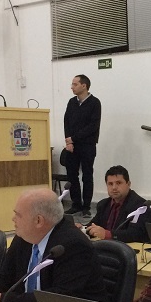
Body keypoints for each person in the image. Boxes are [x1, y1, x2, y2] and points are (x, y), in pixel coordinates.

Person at [0, 187, 109, 302]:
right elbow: (4, 276)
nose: (13, 219)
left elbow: (60, 298)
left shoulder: (73, 245)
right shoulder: (24, 238)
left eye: (18, 215)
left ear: (38, 221)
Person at [63, 74, 102, 219]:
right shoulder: (71, 102)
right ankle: (76, 204)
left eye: (75, 84)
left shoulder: (95, 103)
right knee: (72, 175)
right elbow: (66, 122)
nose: (72, 87)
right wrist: (69, 142)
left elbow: (93, 126)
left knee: (87, 175)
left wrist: (74, 138)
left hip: (87, 145)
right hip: (72, 146)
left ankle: (86, 207)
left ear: (84, 86)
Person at [83, 165, 150, 243]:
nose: (114, 187)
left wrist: (108, 234)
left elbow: (135, 234)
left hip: (128, 249)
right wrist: (82, 228)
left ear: (128, 184)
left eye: (118, 183)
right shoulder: (103, 204)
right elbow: (94, 225)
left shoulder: (140, 206)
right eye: (110, 184)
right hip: (106, 246)